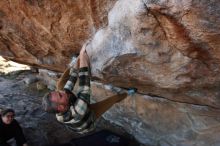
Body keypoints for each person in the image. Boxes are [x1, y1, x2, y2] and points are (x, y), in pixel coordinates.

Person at [42, 42, 128, 134]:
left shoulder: (60, 109)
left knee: (60, 85)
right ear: (60, 107)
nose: (62, 92)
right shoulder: (77, 112)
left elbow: (68, 85)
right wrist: (83, 55)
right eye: (60, 95)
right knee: (113, 99)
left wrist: (77, 62)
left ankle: (73, 62)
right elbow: (84, 86)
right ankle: (128, 93)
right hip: (88, 119)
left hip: (73, 106)